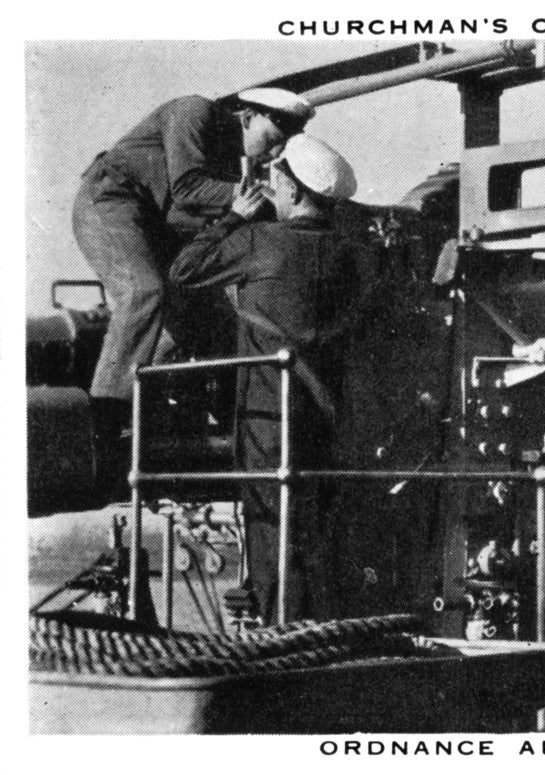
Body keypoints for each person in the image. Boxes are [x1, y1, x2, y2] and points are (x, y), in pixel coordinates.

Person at [73, 87, 316, 480]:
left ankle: (192, 418)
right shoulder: (194, 113)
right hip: (111, 201)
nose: (274, 152)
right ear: (247, 116)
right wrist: (266, 200)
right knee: (143, 291)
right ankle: (105, 418)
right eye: (273, 139)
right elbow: (188, 190)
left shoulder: (236, 162)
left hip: (159, 228)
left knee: (214, 318)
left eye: (282, 145)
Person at [169, 134, 361, 622]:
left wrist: (233, 215)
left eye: (277, 182)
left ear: (293, 191)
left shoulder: (259, 242)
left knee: (272, 533)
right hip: (330, 423)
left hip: (267, 420)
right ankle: (316, 631)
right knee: (317, 538)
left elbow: (184, 271)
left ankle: (280, 632)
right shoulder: (351, 255)